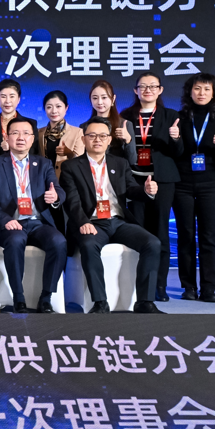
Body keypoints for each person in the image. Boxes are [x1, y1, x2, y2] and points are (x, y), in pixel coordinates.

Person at [61, 117, 165, 314]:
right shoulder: (71, 167)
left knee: (152, 243)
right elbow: (72, 201)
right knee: (89, 245)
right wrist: (82, 222)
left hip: (118, 221)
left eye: (102, 136)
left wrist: (146, 191)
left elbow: (131, 189)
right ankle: (100, 302)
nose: (97, 140)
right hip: (92, 223)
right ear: (83, 139)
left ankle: (145, 302)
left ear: (109, 140)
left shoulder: (120, 163)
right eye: (92, 135)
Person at [0, 117, 66, 314]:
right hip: (8, 223)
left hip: (37, 222)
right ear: (6, 137)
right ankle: (18, 298)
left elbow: (58, 190)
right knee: (16, 239)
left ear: (33, 138)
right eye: (15, 133)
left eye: (26, 133)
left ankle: (46, 297)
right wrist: (6, 220)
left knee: (59, 241)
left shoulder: (43, 164)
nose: (21, 137)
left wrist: (55, 197)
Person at [119, 72, 184, 302]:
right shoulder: (126, 116)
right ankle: (138, 285)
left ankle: (160, 285)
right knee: (137, 231)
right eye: (142, 86)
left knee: (161, 232)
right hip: (134, 180)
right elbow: (120, 153)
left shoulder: (171, 116)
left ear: (160, 90)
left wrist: (176, 138)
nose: (147, 90)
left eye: (152, 86)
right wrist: (124, 140)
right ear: (135, 90)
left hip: (162, 180)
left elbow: (179, 153)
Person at [175, 73, 215, 302]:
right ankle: (188, 287)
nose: (202, 93)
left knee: (208, 236)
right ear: (189, 92)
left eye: (207, 89)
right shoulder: (179, 117)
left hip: (211, 182)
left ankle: (208, 288)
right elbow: (176, 152)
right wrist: (175, 139)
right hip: (182, 183)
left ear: (214, 93)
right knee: (186, 235)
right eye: (197, 88)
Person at [37, 90, 84, 178]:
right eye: (49, 107)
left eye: (58, 106)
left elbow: (81, 162)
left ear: (66, 108)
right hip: (44, 180)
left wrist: (69, 153)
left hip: (67, 179)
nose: (54, 111)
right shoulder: (39, 133)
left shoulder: (78, 132)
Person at [87, 80, 136, 165]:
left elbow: (132, 161)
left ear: (113, 99)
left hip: (117, 171)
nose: (99, 102)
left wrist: (128, 139)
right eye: (95, 98)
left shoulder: (124, 124)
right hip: (92, 171)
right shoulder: (85, 126)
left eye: (104, 97)